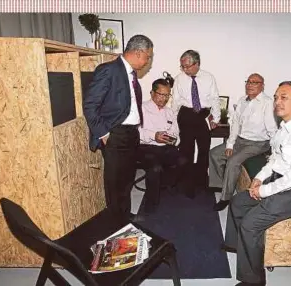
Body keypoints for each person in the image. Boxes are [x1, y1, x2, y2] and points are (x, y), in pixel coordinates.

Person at [222, 81, 291, 286]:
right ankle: (237, 246)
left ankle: (254, 281)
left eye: (284, 97)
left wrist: (264, 190)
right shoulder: (284, 128)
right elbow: (274, 159)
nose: (277, 102)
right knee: (238, 202)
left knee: (251, 223)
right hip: (281, 181)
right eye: (276, 97)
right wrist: (259, 178)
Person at [83, 34, 154, 220]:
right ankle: (115, 223)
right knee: (115, 184)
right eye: (148, 56)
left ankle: (124, 217)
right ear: (138, 53)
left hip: (131, 134)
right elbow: (90, 105)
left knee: (127, 180)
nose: (148, 61)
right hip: (115, 134)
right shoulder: (109, 70)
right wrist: (103, 132)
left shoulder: (131, 74)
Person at [209, 73, 278, 211]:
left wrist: (276, 151)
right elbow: (235, 124)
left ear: (262, 86)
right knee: (214, 153)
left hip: (257, 144)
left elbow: (272, 129)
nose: (250, 85)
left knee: (233, 161)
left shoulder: (267, 103)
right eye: (249, 82)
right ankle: (219, 185)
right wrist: (230, 144)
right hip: (240, 141)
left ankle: (225, 198)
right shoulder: (242, 101)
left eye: (255, 82)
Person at [137, 78, 192, 212]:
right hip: (146, 147)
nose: (165, 98)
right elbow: (136, 132)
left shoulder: (169, 112)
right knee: (155, 168)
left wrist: (172, 139)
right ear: (152, 93)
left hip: (165, 147)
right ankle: (151, 201)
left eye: (167, 95)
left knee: (183, 161)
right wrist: (154, 135)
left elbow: (176, 132)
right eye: (161, 94)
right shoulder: (141, 109)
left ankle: (164, 185)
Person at [172, 50, 220, 193]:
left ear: (197, 63)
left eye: (187, 66)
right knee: (186, 151)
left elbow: (215, 99)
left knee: (204, 150)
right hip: (186, 115)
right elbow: (175, 102)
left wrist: (216, 118)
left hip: (203, 116)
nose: (184, 69)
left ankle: (201, 181)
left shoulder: (209, 77)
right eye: (182, 66)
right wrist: (174, 123)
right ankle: (187, 184)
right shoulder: (179, 79)